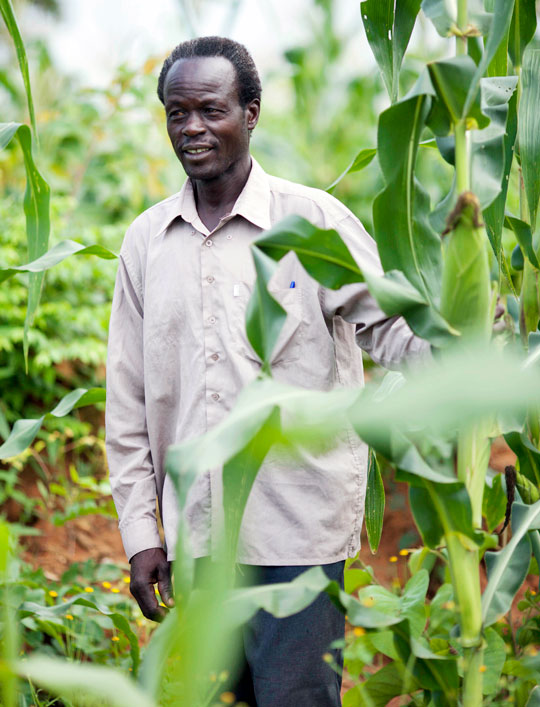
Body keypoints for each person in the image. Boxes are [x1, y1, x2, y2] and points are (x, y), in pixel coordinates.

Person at [105, 36, 429, 707]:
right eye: (177, 112)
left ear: (251, 113)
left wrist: (476, 371)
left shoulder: (310, 224)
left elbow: (395, 329)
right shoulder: (145, 243)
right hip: (199, 541)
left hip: (298, 537)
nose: (192, 128)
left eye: (210, 110)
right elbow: (128, 405)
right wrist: (142, 535)